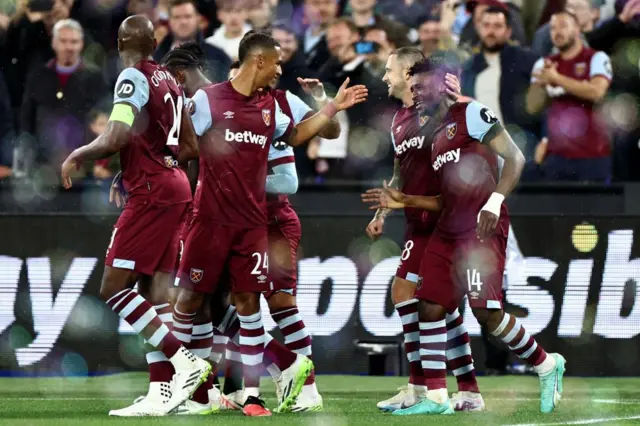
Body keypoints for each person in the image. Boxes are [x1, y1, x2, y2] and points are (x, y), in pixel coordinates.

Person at [171, 31, 368, 416]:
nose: (281, 68)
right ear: (257, 61)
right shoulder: (208, 99)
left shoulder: (277, 104)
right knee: (195, 303)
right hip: (210, 220)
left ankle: (263, 392)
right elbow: (181, 146)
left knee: (258, 304)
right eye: (276, 61)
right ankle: (187, 389)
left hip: (259, 221)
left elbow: (300, 135)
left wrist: (329, 107)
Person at [362, 56, 565, 415]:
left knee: (486, 313)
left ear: (444, 83)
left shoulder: (472, 114)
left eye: (423, 87)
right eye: (413, 89)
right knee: (429, 304)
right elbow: (443, 199)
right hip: (448, 229)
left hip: (480, 228)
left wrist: (495, 201)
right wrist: (403, 199)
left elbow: (515, 158)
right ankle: (436, 398)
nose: (417, 95)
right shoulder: (435, 136)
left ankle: (546, 364)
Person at [60, 15, 210, 416]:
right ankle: (161, 393)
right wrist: (139, 166)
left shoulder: (132, 77)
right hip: (176, 186)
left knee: (113, 287)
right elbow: (190, 146)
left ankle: (185, 362)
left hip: (152, 193)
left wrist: (80, 153)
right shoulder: (169, 80)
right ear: (155, 41)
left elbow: (117, 134)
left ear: (119, 42)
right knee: (154, 295)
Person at [218, 54, 341, 413]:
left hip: (273, 221)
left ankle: (308, 389)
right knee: (236, 304)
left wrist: (322, 100)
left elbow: (328, 133)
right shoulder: (222, 107)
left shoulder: (285, 103)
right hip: (236, 222)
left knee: (281, 304)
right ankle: (238, 389)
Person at [365, 47, 484, 413]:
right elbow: (401, 171)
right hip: (416, 221)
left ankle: (422, 388)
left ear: (407, 73)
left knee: (407, 293)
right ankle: (466, 389)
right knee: (442, 310)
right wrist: (385, 208)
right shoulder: (399, 119)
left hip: (442, 220)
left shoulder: (438, 112)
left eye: (389, 70)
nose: (385, 76)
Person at [526, 10, 612, 181]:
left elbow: (597, 92)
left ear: (577, 30)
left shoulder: (596, 58)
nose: (557, 32)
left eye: (563, 26)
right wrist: (540, 85)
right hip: (556, 156)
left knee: (597, 207)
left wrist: (557, 79)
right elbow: (532, 107)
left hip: (592, 154)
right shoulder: (544, 64)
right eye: (552, 28)